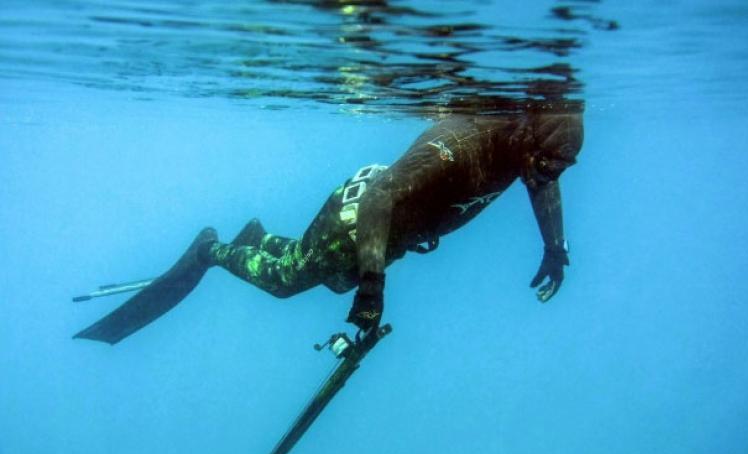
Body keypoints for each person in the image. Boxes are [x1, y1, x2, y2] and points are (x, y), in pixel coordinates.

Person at [74, 100, 583, 344]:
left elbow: (542, 183)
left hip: (395, 229)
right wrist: (373, 286)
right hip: (364, 214)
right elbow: (380, 196)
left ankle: (261, 239)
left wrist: (555, 248)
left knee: (334, 279)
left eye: (558, 168)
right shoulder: (462, 144)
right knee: (286, 282)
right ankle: (213, 250)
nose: (545, 177)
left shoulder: (527, 155)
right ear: (527, 137)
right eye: (544, 164)